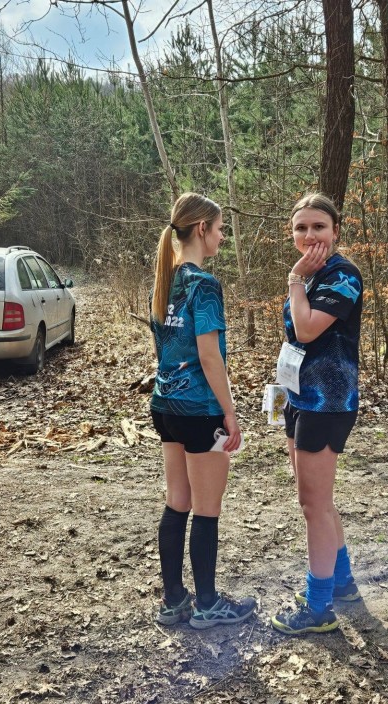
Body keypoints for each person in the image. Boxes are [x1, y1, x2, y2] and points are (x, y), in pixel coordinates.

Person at [150, 192, 256, 629]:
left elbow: (163, 349)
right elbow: (210, 357)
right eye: (220, 229)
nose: (222, 237)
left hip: (165, 406)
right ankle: (208, 605)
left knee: (178, 501)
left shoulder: (163, 280)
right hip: (200, 411)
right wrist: (230, 413)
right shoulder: (204, 285)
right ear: (201, 229)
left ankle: (174, 601)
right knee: (206, 508)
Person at [270, 194, 363, 636]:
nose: (309, 236)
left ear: (335, 231)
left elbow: (307, 329)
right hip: (298, 397)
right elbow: (295, 339)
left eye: (319, 227)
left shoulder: (342, 275)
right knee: (316, 501)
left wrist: (293, 280)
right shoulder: (311, 276)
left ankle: (319, 606)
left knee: (314, 505)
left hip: (328, 403)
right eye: (301, 228)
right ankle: (341, 582)